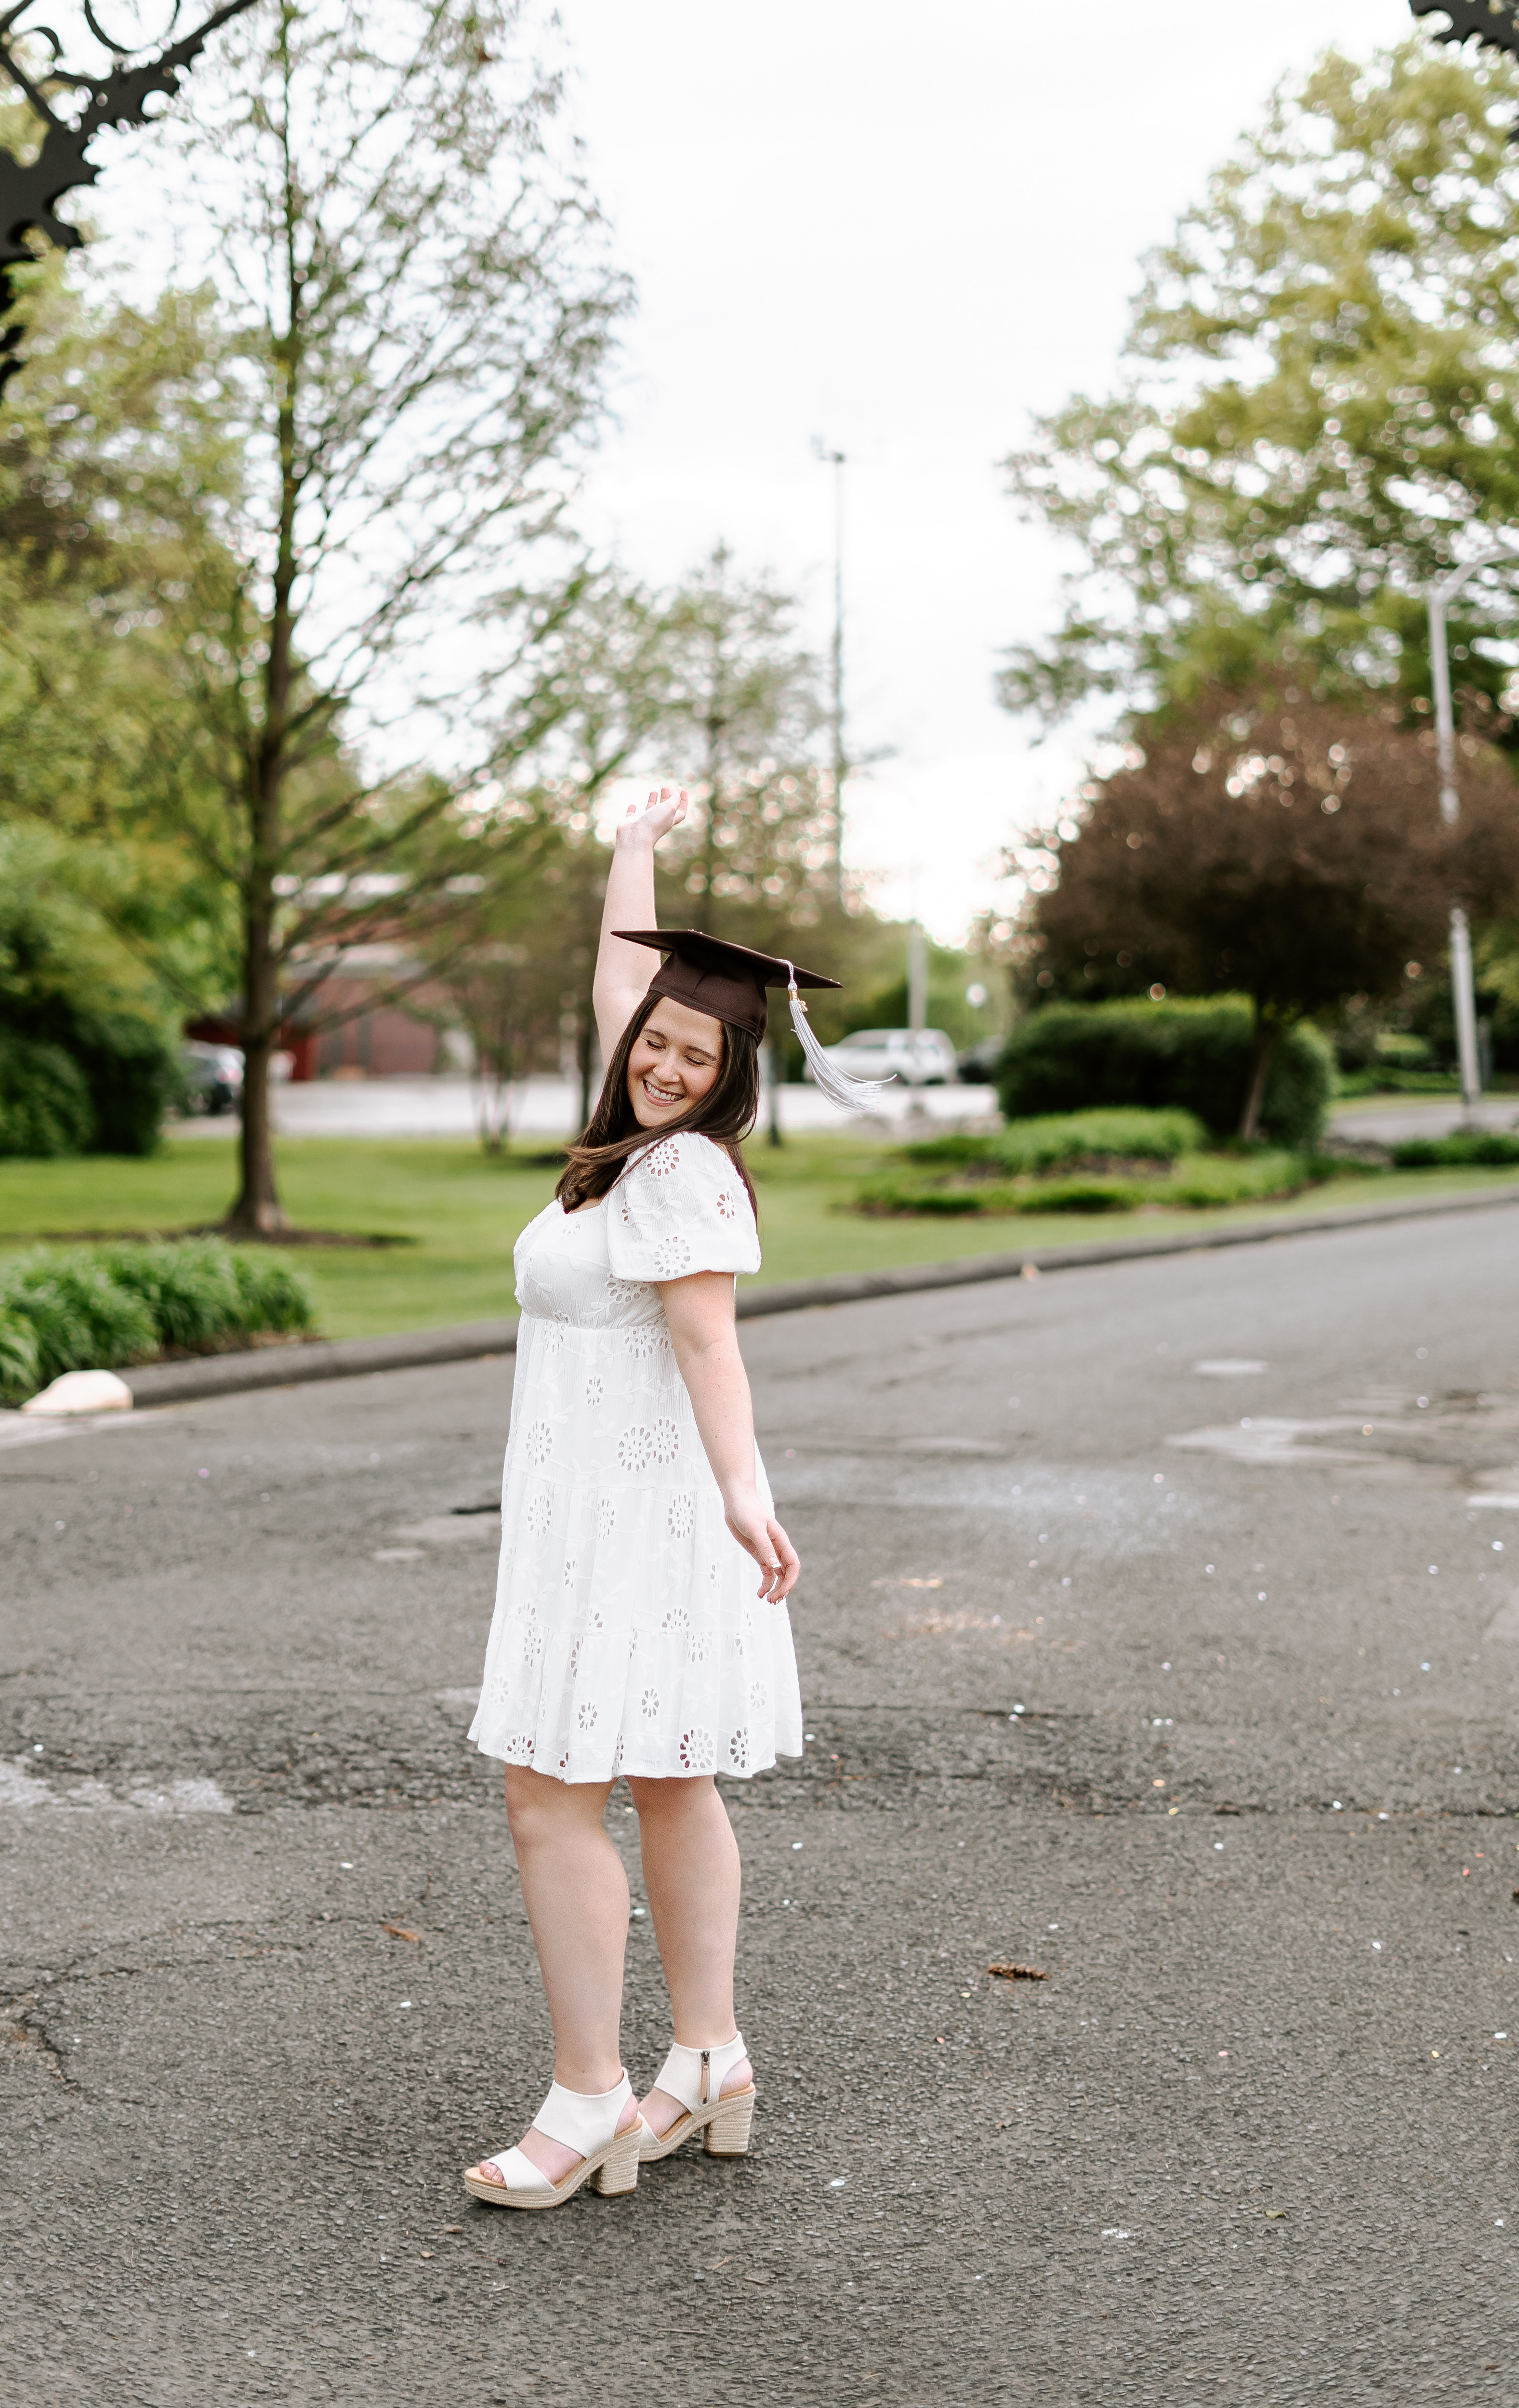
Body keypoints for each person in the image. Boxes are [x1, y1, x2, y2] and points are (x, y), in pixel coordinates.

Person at [461, 784, 843, 2210]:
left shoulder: (677, 1173)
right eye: (658, 1044)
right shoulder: (638, 1136)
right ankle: (708, 2060)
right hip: (608, 1516)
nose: (669, 1064)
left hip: (634, 1525)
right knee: (669, 1776)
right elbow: (629, 982)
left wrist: (749, 1493)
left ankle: (590, 2097)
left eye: (698, 1053)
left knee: (547, 1794)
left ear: (733, 1073)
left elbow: (709, 1344)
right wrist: (634, 845)